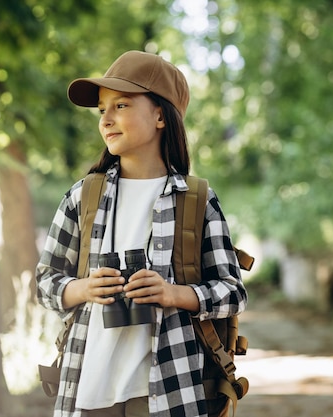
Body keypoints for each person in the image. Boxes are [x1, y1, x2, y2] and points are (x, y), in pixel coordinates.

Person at [36, 50, 247, 417]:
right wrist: (84, 288)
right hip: (87, 385)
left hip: (170, 389)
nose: (106, 120)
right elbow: (43, 282)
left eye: (121, 105)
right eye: (102, 110)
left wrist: (173, 294)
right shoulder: (82, 195)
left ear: (161, 115)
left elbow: (233, 292)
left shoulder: (196, 200)